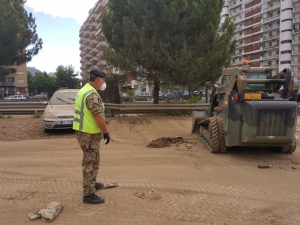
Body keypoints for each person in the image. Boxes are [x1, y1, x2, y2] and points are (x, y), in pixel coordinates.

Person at [73, 70, 111, 204]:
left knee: (93, 160)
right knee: (90, 162)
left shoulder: (84, 90)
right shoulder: (91, 95)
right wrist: (106, 132)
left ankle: (92, 183)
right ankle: (88, 194)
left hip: (84, 132)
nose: (104, 83)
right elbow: (98, 117)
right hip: (88, 134)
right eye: (104, 80)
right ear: (98, 80)